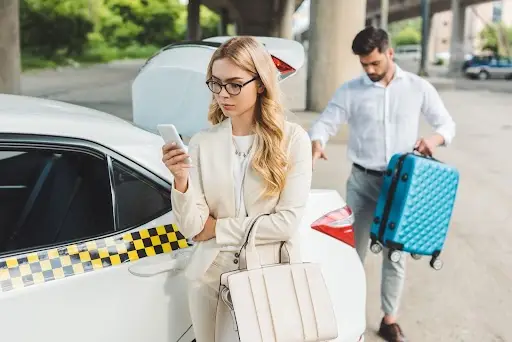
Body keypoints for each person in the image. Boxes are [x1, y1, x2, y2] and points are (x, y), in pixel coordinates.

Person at [308, 27, 456, 342]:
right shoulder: (350, 90)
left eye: (375, 63)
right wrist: (317, 141)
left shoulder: (418, 88)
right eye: (364, 65)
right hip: (362, 181)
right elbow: (325, 121)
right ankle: (349, 318)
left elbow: (447, 124)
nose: (370, 70)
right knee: (351, 254)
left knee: (395, 255)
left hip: (402, 186)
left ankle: (390, 320)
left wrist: (434, 138)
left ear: (389, 54)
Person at [162, 36, 312, 342]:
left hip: (268, 272)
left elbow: (285, 224)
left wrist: (217, 228)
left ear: (259, 83)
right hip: (209, 278)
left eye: (234, 84)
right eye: (215, 84)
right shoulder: (202, 142)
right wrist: (181, 179)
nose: (223, 94)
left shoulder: (293, 140)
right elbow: (193, 228)